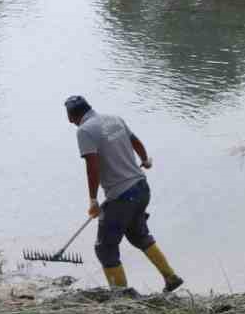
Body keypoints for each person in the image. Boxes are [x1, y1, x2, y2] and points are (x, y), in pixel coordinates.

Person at [64, 95, 183, 293]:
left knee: (105, 248)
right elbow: (135, 141)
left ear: (72, 117)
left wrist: (93, 199)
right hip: (141, 188)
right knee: (138, 235)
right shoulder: (114, 119)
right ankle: (171, 277)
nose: (70, 122)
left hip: (122, 197)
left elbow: (92, 167)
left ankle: (121, 297)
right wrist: (145, 159)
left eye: (69, 118)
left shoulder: (84, 131)